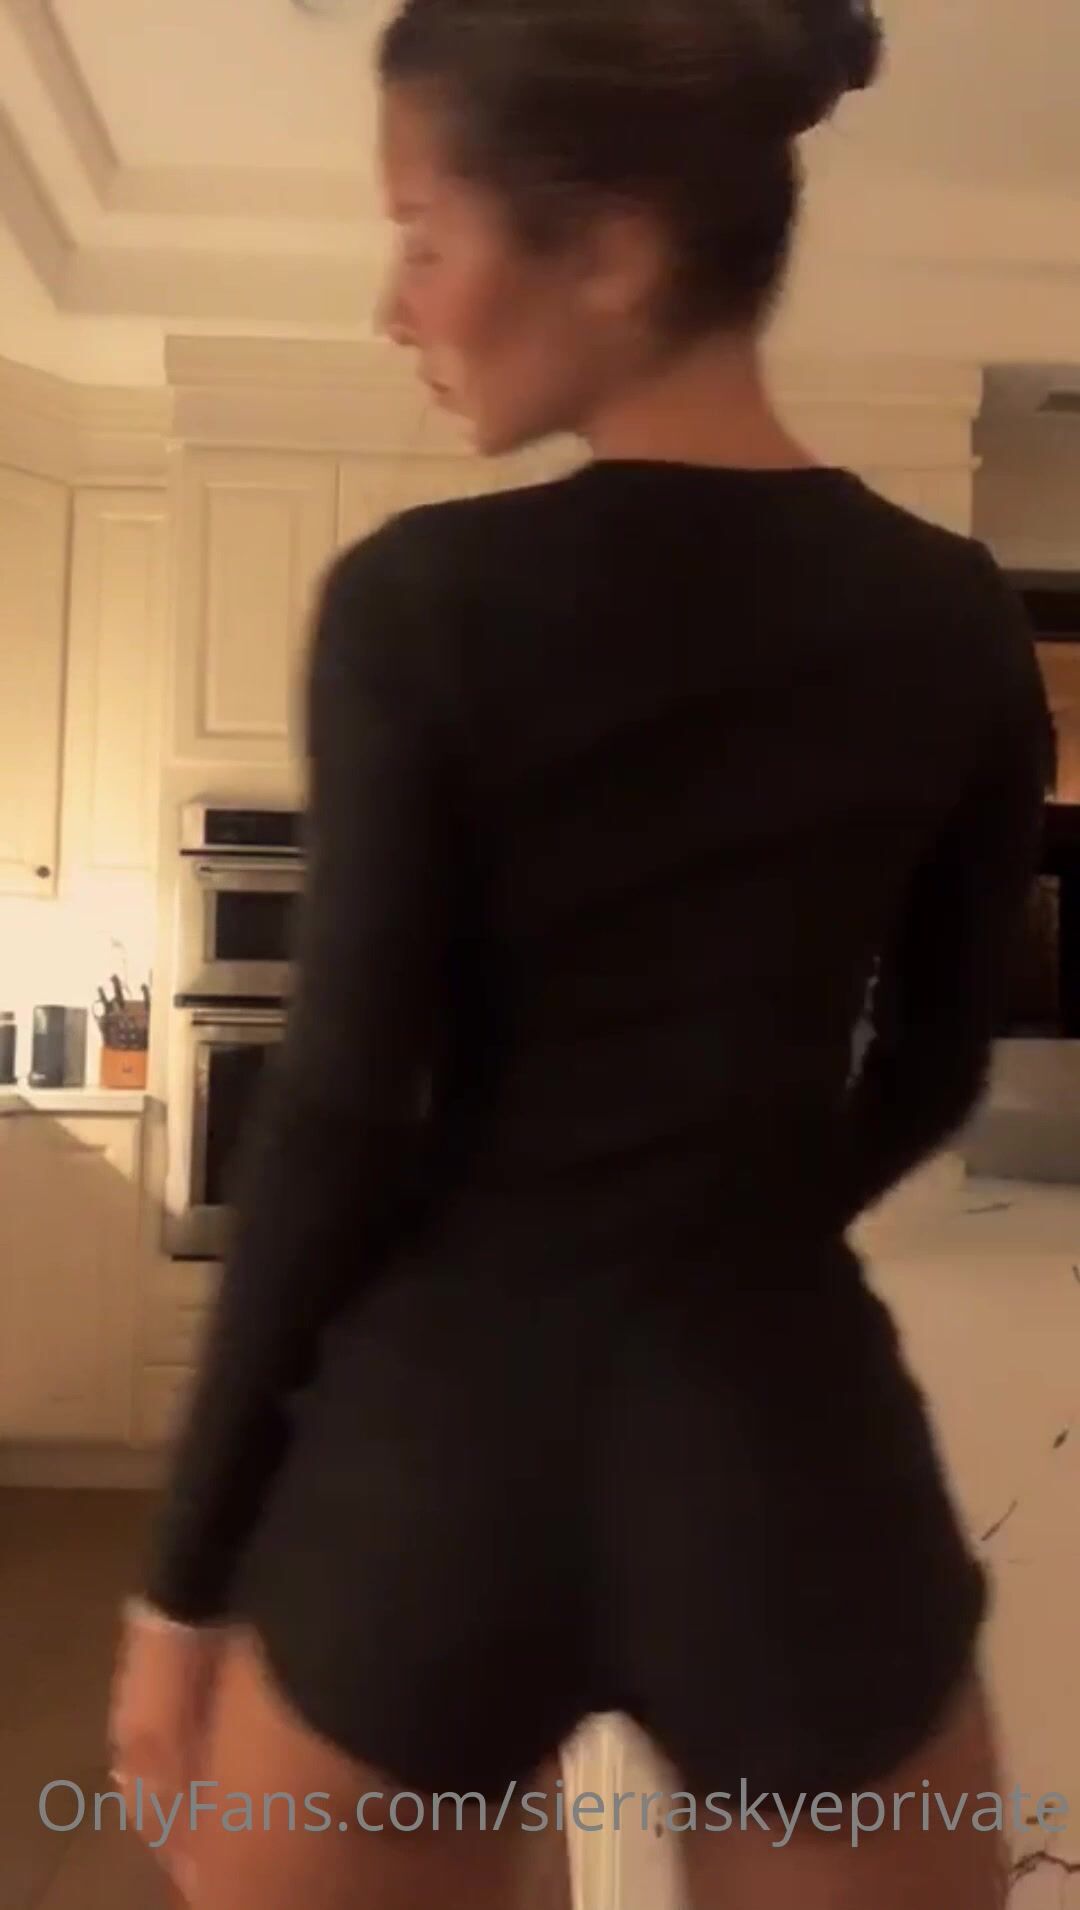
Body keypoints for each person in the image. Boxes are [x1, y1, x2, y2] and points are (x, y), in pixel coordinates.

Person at [108, 1, 1050, 1905]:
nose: (397, 306)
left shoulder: (418, 604)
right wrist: (731, 1216)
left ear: (610, 249)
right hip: (775, 1441)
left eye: (422, 234)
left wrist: (180, 1585)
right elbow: (944, 1056)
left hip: (432, 1457)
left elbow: (338, 1120)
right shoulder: (954, 617)